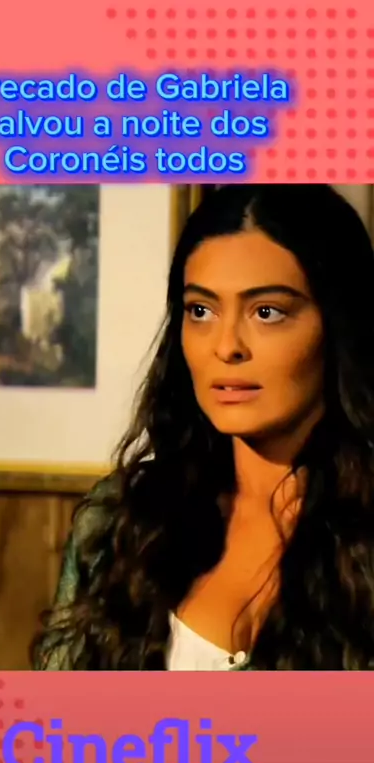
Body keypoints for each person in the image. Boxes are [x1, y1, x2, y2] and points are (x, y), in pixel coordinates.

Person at [32, 183, 374, 671]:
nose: (226, 346)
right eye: (202, 311)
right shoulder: (123, 521)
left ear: (338, 326)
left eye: (267, 312)